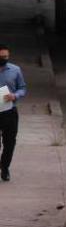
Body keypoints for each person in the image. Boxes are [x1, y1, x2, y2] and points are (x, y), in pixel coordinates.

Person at [0, 44, 27, 182]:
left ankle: (4, 168)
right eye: (1, 57)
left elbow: (22, 88)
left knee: (9, 142)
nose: (4, 59)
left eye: (6, 57)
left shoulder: (15, 70)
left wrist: (15, 95)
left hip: (9, 111)